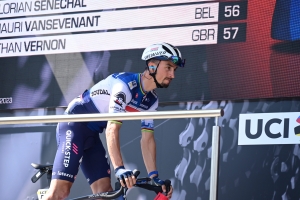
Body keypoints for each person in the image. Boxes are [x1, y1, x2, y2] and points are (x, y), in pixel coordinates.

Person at [44, 42, 185, 200]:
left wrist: (154, 177)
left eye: (174, 70)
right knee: (60, 193)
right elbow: (112, 129)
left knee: (105, 193)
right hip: (73, 126)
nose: (172, 75)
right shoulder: (124, 85)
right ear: (152, 66)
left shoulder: (151, 101)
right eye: (168, 67)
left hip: (92, 134)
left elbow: (147, 139)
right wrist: (119, 169)